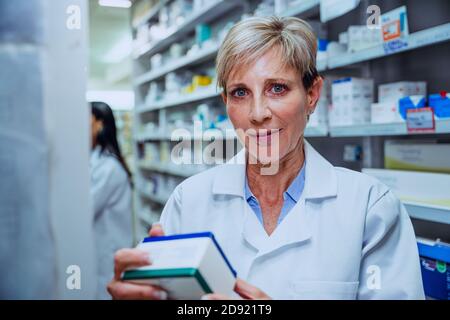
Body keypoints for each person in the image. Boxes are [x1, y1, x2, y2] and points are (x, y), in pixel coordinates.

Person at [107, 17, 424, 300]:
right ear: (226, 102)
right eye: (240, 93)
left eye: (277, 88)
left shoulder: (370, 207)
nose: (257, 114)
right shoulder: (188, 201)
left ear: (311, 95)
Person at [90, 101, 133, 299]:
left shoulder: (108, 168)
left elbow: (84, 210)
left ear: (99, 124)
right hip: (98, 254)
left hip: (107, 257)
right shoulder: (96, 162)